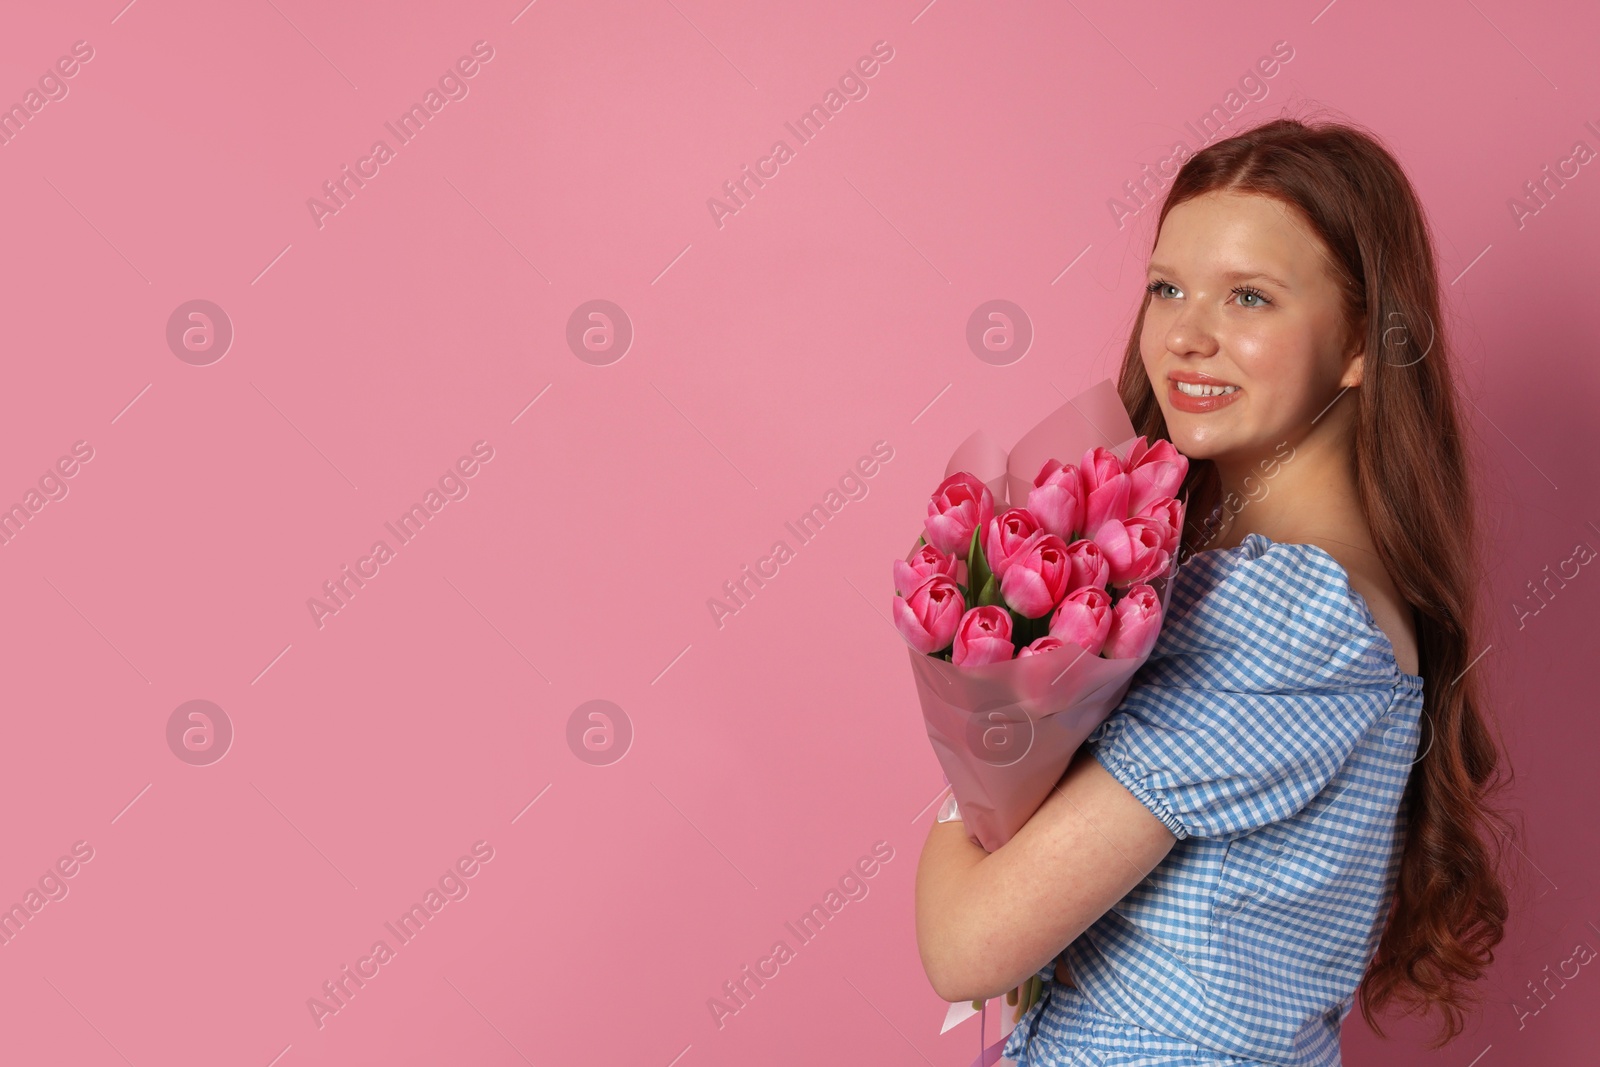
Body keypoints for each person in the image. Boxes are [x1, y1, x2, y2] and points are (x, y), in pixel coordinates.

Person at [914, 115, 1512, 1065]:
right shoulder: (1270, 586)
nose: (1188, 335)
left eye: (1249, 296)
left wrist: (975, 784)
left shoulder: (1283, 617)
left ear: (1363, 341)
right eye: (1167, 287)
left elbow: (967, 947)